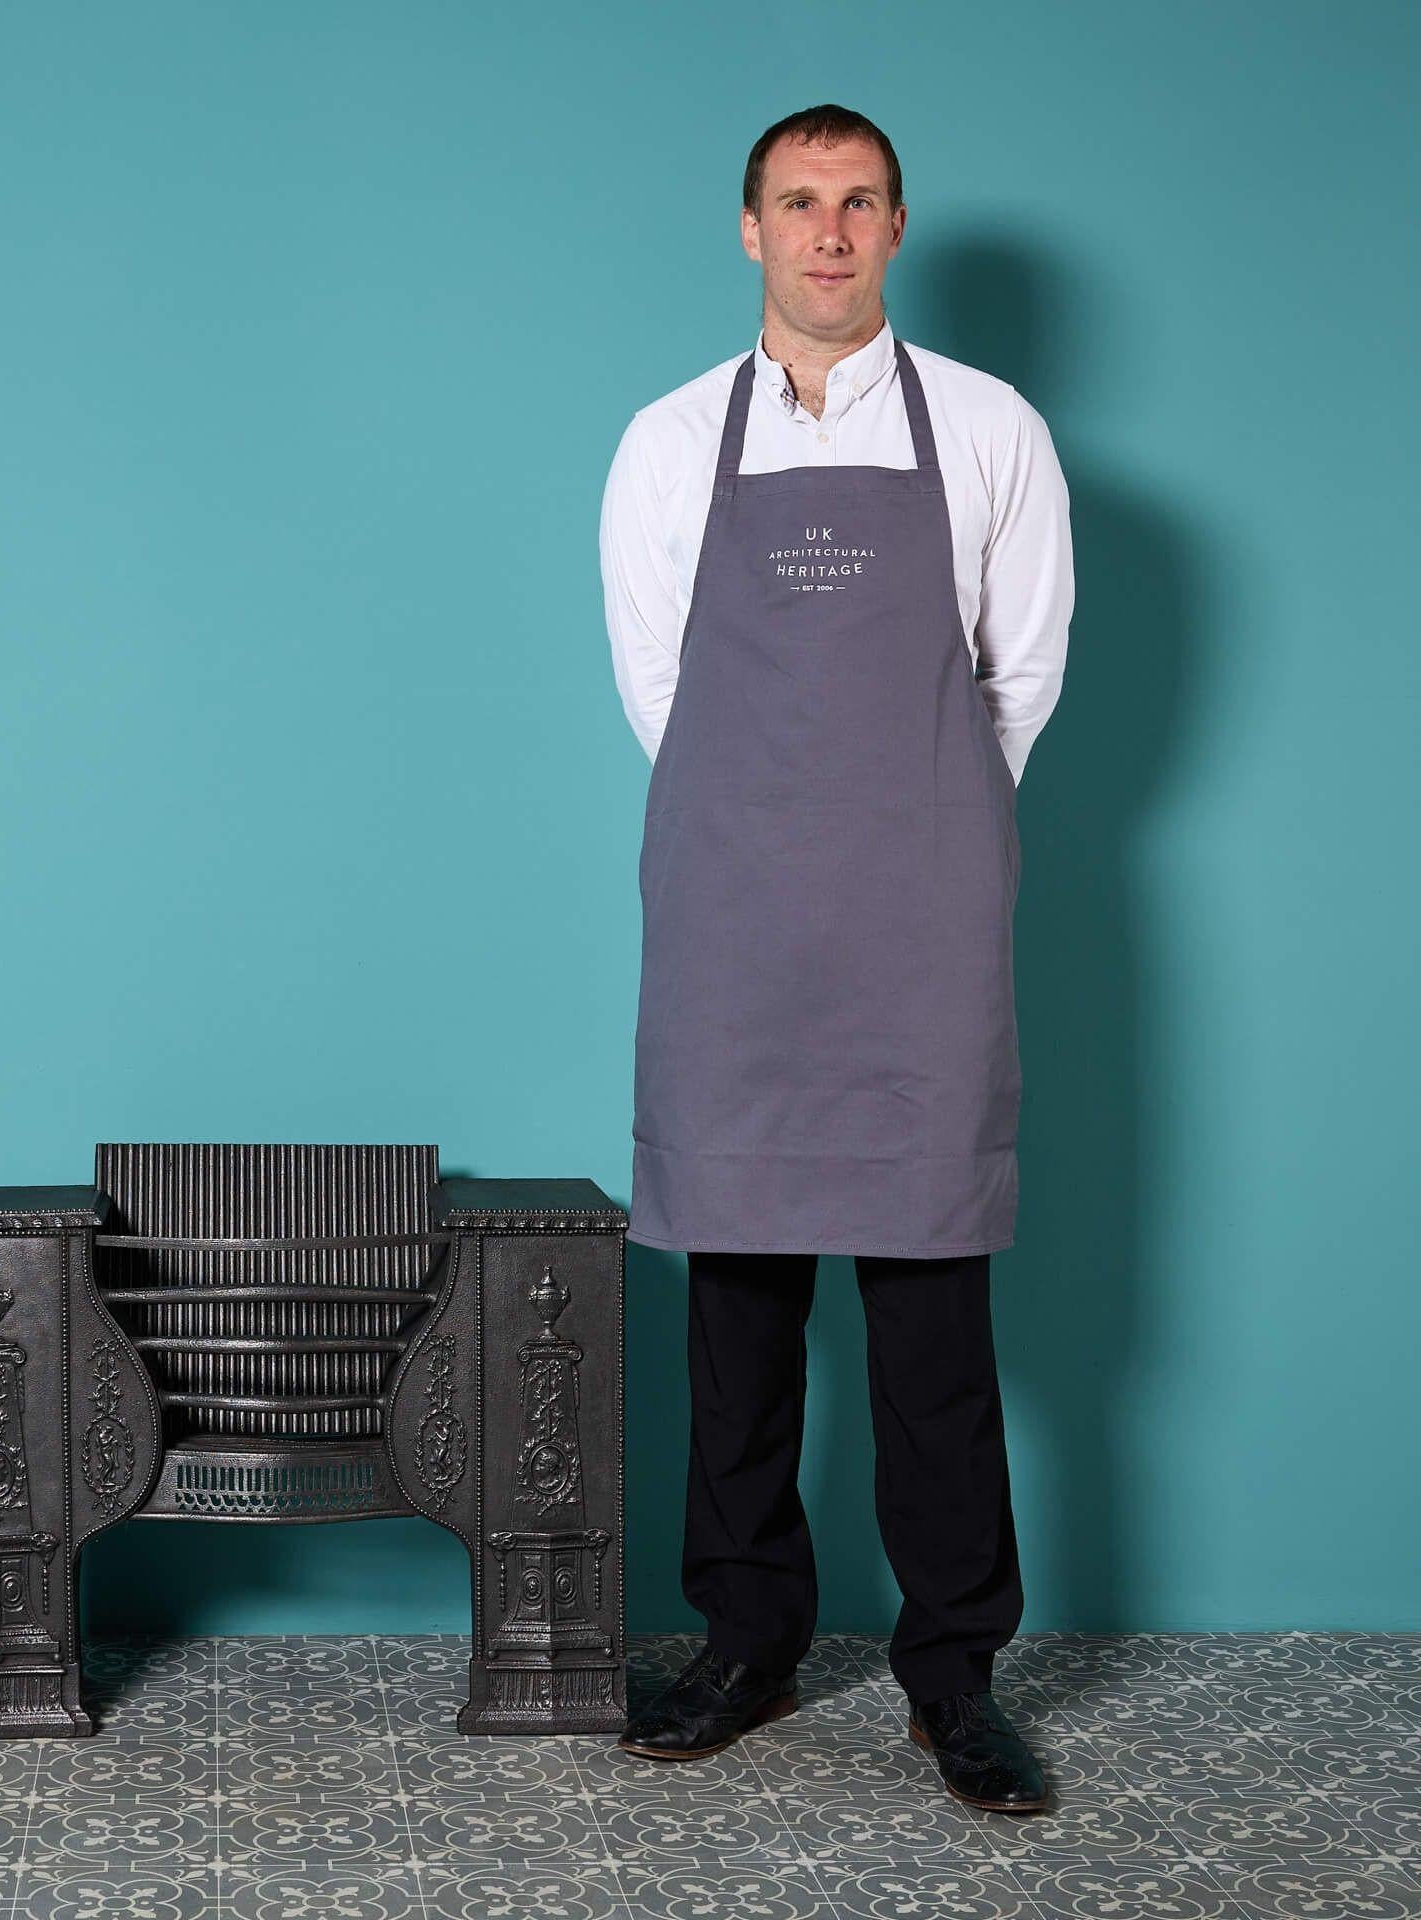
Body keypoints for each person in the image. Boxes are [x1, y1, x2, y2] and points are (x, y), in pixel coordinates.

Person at [598, 103, 1073, 1813]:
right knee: (737, 1306)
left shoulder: (995, 429)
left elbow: (1017, 681)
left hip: (921, 916)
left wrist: (914, 828)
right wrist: (772, 829)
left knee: (933, 1312)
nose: (827, 231)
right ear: (750, 230)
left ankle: (958, 1676)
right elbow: (664, 693)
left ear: (895, 230)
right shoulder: (666, 441)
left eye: (858, 203)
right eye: (797, 203)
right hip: (733, 915)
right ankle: (747, 1639)